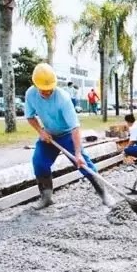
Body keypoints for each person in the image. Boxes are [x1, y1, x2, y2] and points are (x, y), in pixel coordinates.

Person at [25, 63, 115, 209]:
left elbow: (75, 127)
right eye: (44, 90)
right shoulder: (30, 94)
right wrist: (41, 132)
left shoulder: (63, 98)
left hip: (67, 135)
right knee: (39, 162)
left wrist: (78, 153)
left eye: (50, 89)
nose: (47, 92)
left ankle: (104, 194)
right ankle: (46, 197)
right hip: (49, 135)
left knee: (84, 164)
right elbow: (30, 117)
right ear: (35, 85)